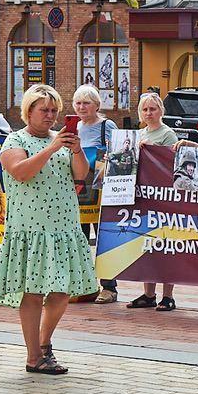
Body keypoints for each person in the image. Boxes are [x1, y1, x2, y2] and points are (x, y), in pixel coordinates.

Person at [0, 83, 97, 376]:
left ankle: (44, 343)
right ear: (29, 111)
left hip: (63, 225)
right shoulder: (15, 140)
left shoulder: (60, 140)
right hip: (31, 228)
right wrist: (52, 148)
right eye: (44, 110)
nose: (50, 116)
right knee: (34, 292)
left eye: (54, 110)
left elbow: (80, 175)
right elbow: (21, 172)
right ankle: (33, 356)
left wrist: (76, 151)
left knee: (62, 292)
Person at [123, 91, 192, 313]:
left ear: (161, 111)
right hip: (144, 198)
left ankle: (168, 296)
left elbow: (172, 163)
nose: (149, 113)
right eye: (145, 109)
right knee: (146, 245)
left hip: (164, 199)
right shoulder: (138, 135)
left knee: (166, 246)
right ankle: (149, 293)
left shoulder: (167, 134)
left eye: (153, 109)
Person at [71, 84, 117, 304]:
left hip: (101, 190)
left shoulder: (106, 125)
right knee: (79, 239)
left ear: (97, 105)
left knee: (103, 239)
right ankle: (85, 285)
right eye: (78, 103)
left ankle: (109, 287)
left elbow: (117, 152)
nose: (82, 107)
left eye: (86, 103)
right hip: (79, 189)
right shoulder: (73, 127)